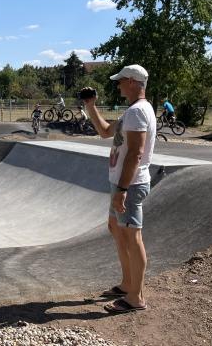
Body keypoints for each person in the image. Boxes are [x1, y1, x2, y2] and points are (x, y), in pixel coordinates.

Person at [80, 64, 156, 314]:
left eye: (121, 80)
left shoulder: (137, 112)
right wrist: (90, 106)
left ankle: (136, 297)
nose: (118, 84)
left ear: (133, 82)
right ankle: (127, 284)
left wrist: (123, 189)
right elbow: (104, 132)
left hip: (130, 184)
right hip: (122, 183)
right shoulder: (132, 111)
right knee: (115, 228)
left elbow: (135, 153)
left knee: (133, 236)